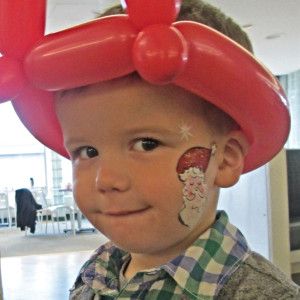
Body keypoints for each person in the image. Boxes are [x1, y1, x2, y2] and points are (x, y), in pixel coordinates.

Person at [0, 0, 298, 299]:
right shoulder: (98, 271)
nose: (106, 180)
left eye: (146, 144)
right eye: (88, 151)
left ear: (227, 158)